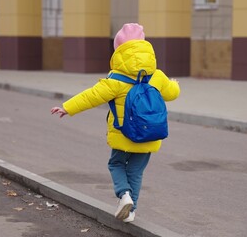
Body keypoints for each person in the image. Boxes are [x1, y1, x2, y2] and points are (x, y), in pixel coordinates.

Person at [51, 23, 180, 223]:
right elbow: (173, 93)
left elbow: (91, 96)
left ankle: (123, 194)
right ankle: (130, 211)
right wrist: (174, 84)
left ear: (119, 50)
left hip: (124, 134)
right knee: (135, 172)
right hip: (149, 134)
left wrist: (68, 108)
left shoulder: (115, 79)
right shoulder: (157, 76)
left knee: (116, 163)